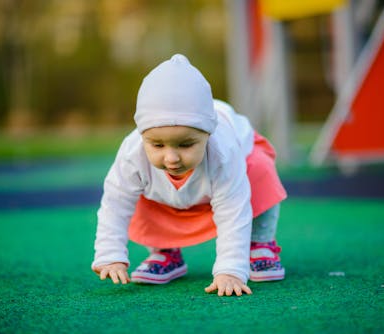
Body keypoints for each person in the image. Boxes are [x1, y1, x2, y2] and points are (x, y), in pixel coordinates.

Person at [92, 54, 287, 297]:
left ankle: (259, 242)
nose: (171, 158)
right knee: (137, 194)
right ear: (143, 135)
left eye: (185, 145)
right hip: (166, 198)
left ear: (208, 134)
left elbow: (233, 209)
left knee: (260, 170)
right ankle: (164, 251)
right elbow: (115, 203)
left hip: (238, 178)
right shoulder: (133, 154)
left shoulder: (224, 151)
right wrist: (110, 255)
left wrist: (230, 271)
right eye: (158, 145)